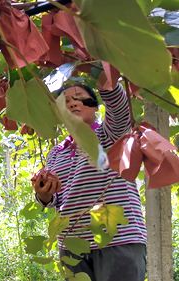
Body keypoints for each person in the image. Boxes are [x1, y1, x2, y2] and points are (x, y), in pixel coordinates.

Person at [32, 75, 146, 280]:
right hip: (72, 245)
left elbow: (119, 110)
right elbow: (54, 199)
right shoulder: (57, 152)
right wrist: (43, 194)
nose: (73, 102)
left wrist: (100, 71)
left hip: (117, 239)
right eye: (65, 101)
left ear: (95, 107)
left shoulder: (110, 135)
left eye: (79, 97)